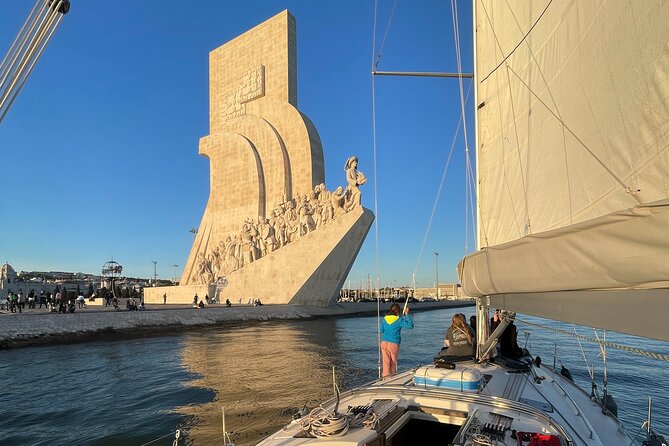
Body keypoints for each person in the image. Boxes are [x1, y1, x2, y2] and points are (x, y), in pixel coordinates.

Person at [380, 303, 414, 378]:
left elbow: (381, 330)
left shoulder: (384, 319)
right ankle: (391, 378)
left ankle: (385, 379)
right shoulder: (399, 320)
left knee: (386, 363)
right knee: (393, 362)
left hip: (384, 343)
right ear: (398, 311)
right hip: (394, 344)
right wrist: (407, 314)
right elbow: (410, 326)